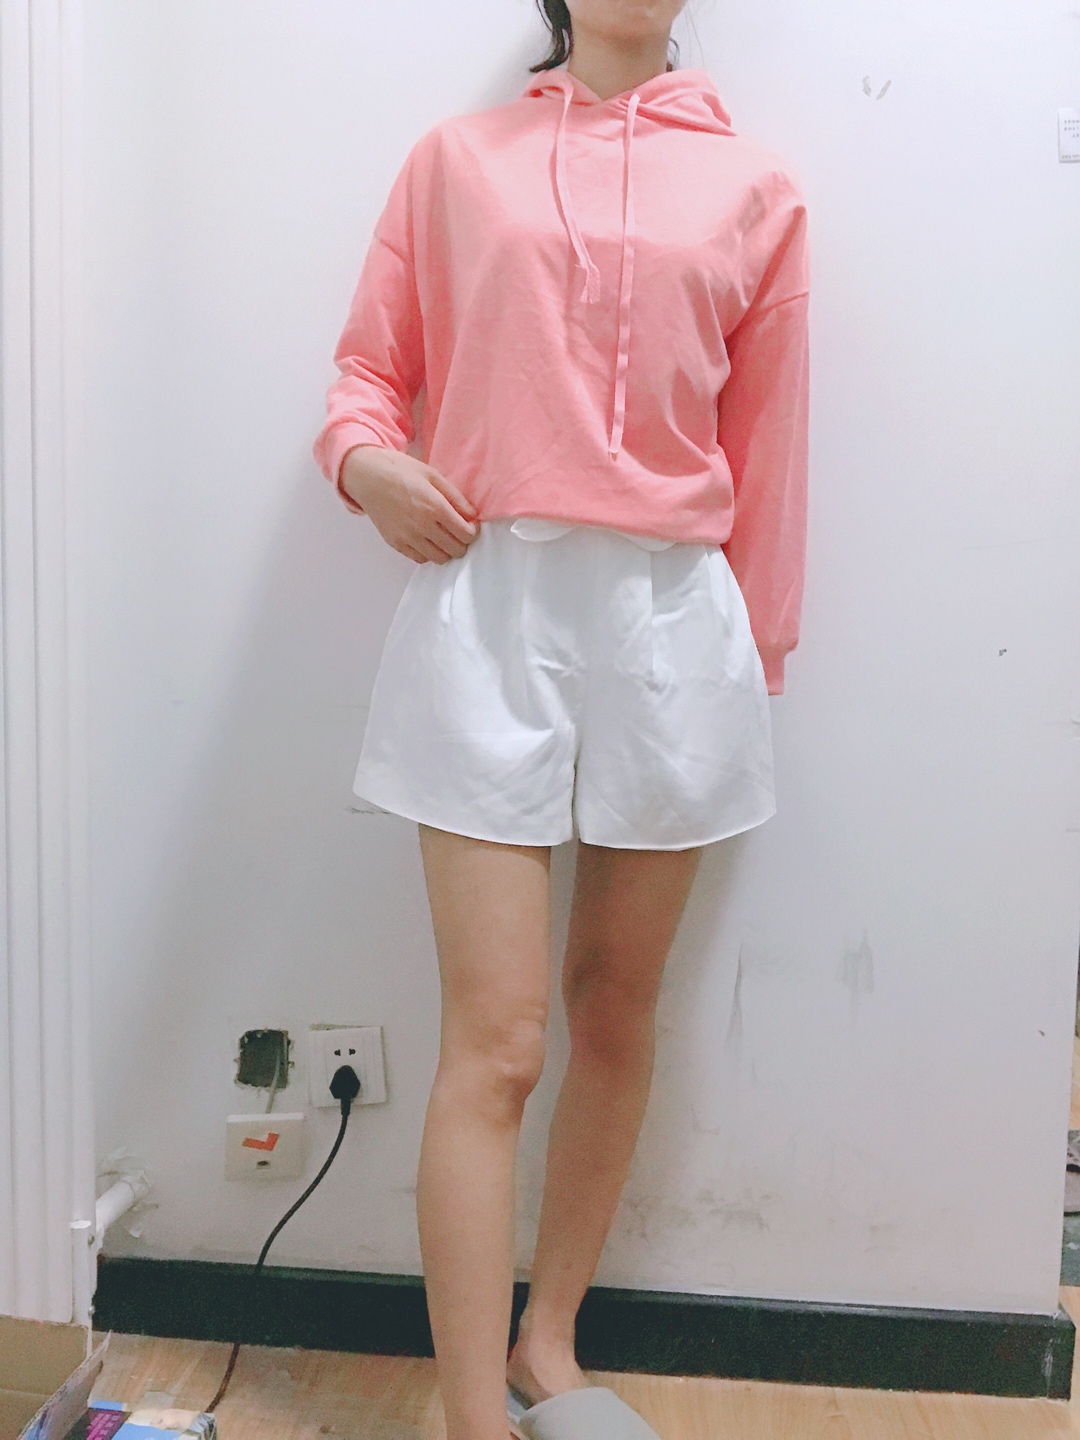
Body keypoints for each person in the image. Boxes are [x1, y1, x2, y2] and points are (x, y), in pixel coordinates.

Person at [312, 3, 810, 1436]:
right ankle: (474, 1414)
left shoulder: (757, 188)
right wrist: (366, 464)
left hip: (675, 623)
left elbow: (770, 442)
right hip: (490, 607)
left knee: (613, 1006)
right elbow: (365, 374)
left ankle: (550, 1344)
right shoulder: (456, 161)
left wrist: (759, 660)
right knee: (502, 1038)